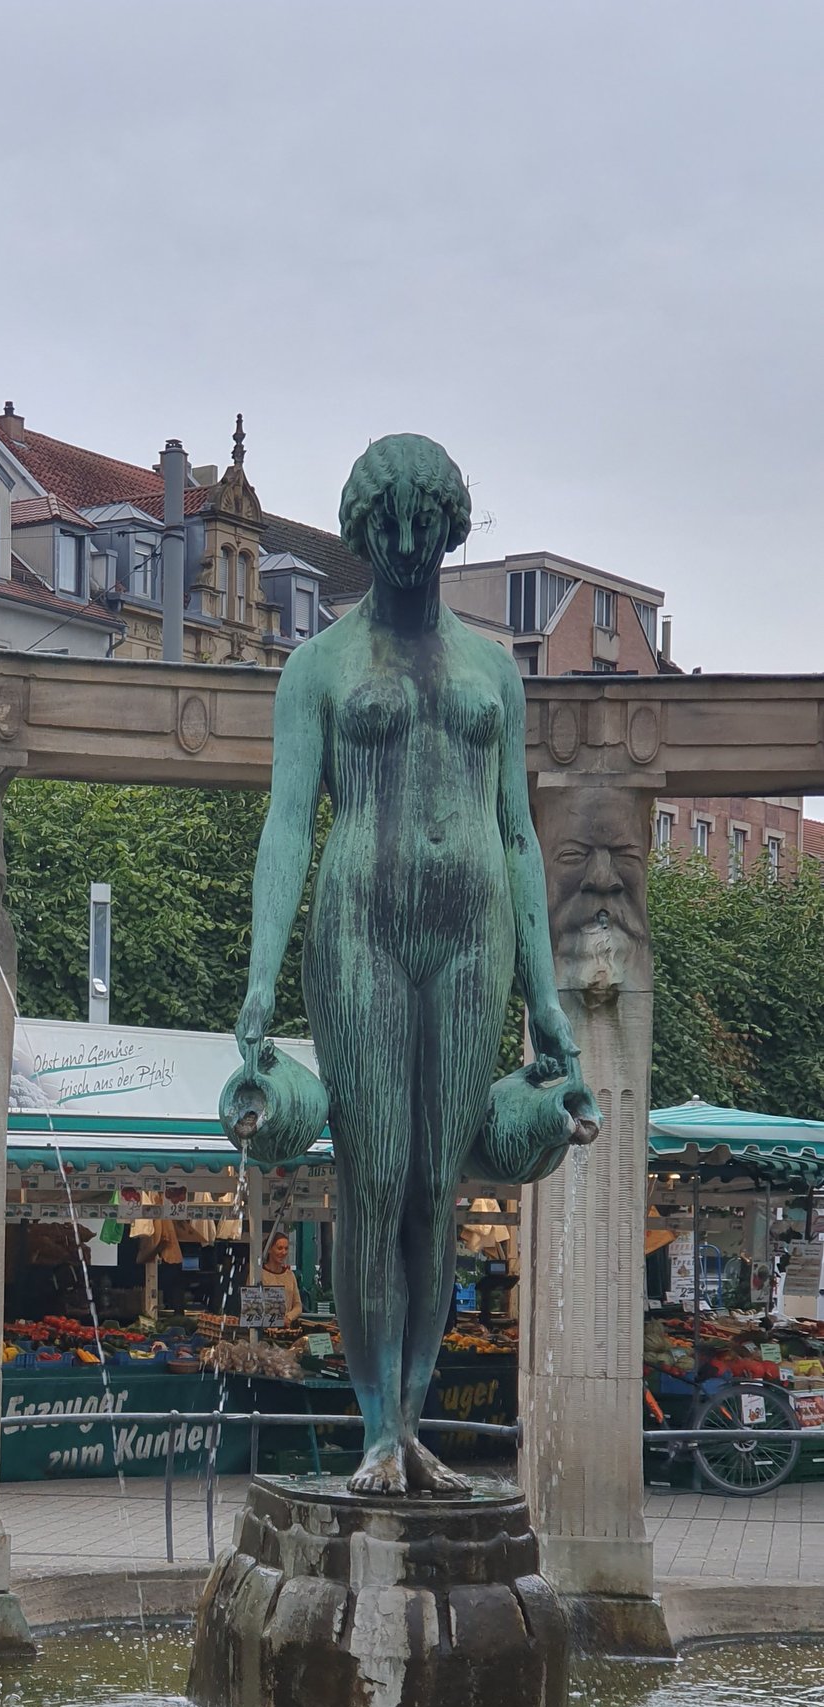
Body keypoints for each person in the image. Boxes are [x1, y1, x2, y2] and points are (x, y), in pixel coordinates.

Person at [237, 435, 582, 1496]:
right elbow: (288, 824)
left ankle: (414, 1420)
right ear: (359, 529)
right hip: (361, 928)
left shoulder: (492, 673)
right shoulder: (320, 666)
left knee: (439, 1183)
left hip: (472, 927)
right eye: (380, 526)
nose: (398, 546)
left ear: (446, 527)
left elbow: (521, 836)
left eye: (417, 526)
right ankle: (376, 1424)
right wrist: (258, 980)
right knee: (373, 1176)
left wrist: (548, 996)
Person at [259, 1232, 304, 1327]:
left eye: (286, 1248)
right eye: (279, 1248)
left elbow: (298, 1305)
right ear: (270, 1249)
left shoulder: (290, 1275)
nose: (283, 1252)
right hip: (264, 1329)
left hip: (286, 1330)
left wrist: (288, 1317)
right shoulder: (259, 1274)